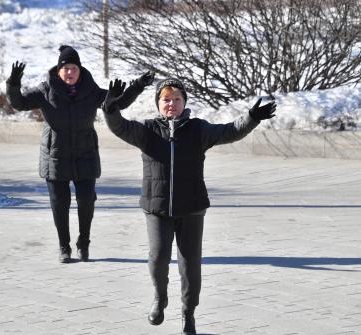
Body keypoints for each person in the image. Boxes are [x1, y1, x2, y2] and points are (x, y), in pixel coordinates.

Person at [102, 77, 276, 334]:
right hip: (157, 207)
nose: (171, 104)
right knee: (158, 258)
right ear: (158, 103)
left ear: (184, 102)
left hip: (192, 207)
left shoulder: (198, 129)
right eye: (166, 99)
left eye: (176, 99)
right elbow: (120, 127)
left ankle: (188, 313)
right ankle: (160, 298)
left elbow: (229, 131)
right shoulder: (147, 130)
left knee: (190, 264)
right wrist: (110, 107)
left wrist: (251, 118)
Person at [6, 45, 154, 263]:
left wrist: (137, 86)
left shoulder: (91, 91)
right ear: (58, 71)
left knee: (86, 201)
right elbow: (18, 103)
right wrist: (13, 83)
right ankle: (64, 247)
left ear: (80, 70)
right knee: (60, 203)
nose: (69, 72)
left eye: (73, 68)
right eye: (65, 68)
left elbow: (118, 103)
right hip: (55, 155)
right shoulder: (44, 91)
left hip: (85, 154)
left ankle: (83, 243)